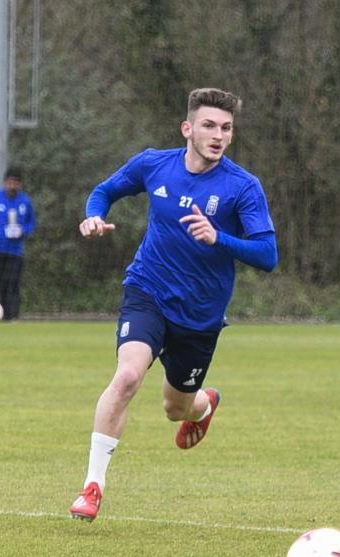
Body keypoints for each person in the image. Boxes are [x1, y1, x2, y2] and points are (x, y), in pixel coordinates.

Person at [70, 88, 278, 522]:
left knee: (175, 408)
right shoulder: (154, 164)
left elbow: (268, 255)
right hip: (148, 291)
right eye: (208, 125)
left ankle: (202, 405)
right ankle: (92, 486)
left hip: (200, 317)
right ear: (188, 129)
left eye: (226, 128)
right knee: (127, 376)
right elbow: (105, 191)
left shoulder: (242, 187)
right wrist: (93, 215)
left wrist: (219, 237)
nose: (218, 135)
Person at [0, 166, 37, 321]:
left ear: (20, 184)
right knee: (1, 284)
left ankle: (13, 317)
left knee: (14, 284)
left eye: (16, 183)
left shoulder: (25, 201)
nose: (12, 186)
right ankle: (3, 317)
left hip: (16, 251)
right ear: (5, 182)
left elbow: (32, 223)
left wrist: (23, 231)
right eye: (10, 182)